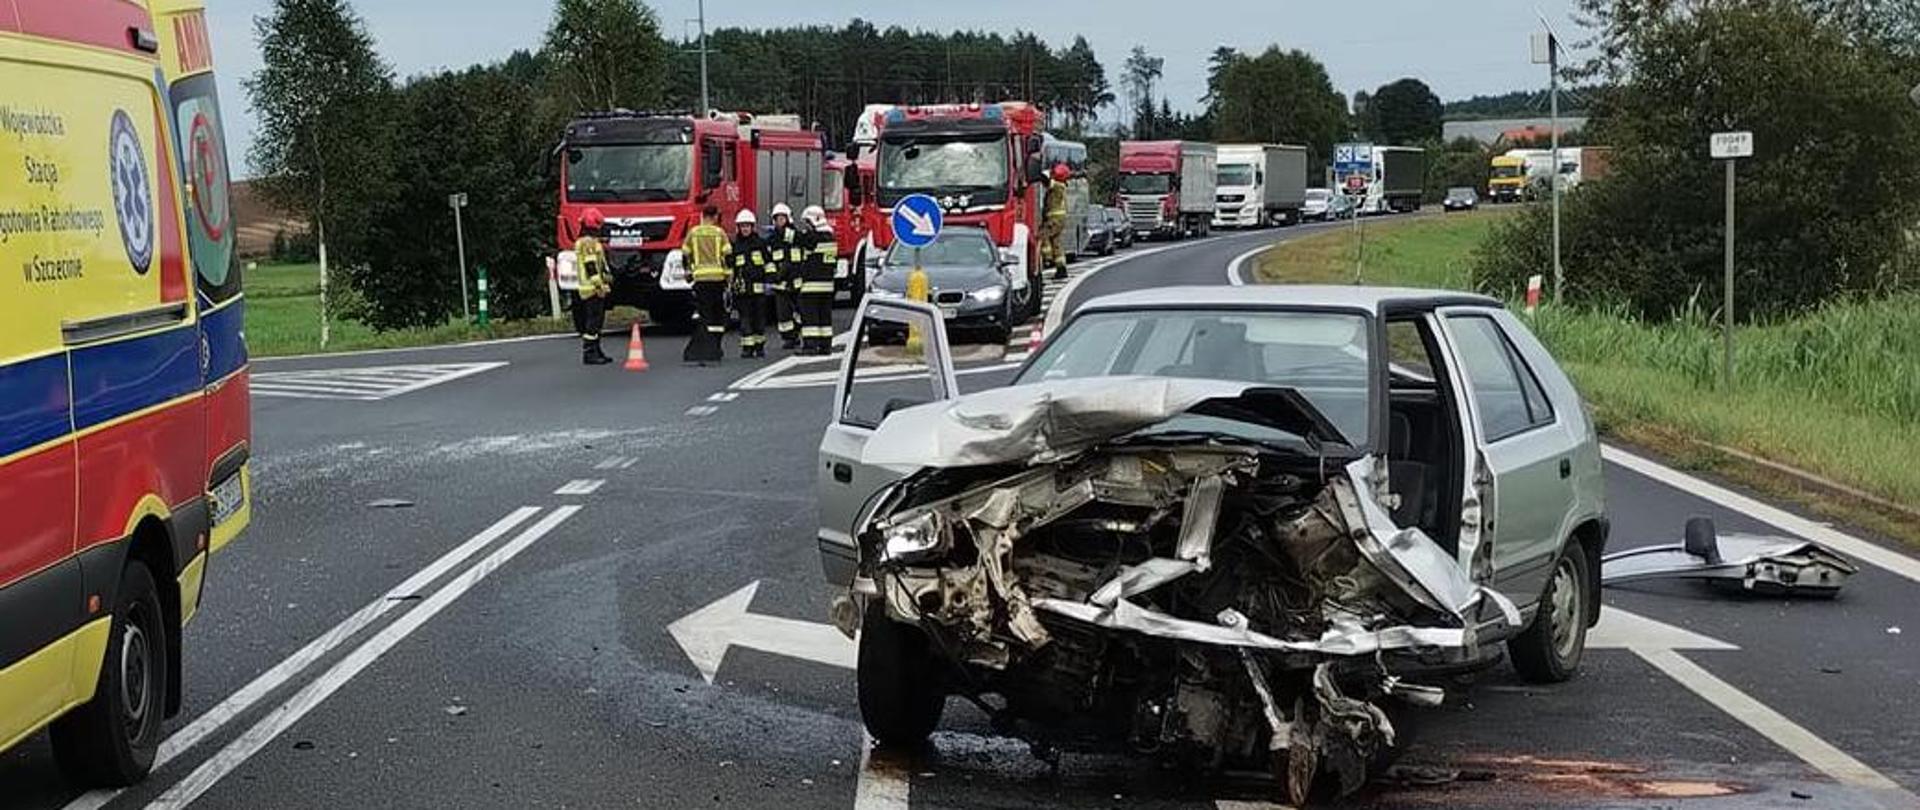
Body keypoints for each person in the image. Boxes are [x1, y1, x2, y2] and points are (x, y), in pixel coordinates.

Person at [682, 205, 732, 365]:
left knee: (705, 315)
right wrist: (729, 277)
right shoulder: (720, 233)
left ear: (702, 215)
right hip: (717, 280)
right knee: (718, 315)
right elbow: (728, 256)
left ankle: (704, 348)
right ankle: (715, 347)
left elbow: (685, 254)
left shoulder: (693, 233)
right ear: (715, 216)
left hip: (700, 280)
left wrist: (688, 272)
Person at [572, 208, 614, 365]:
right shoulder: (588, 243)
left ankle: (596, 350)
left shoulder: (587, 242)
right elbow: (591, 266)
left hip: (592, 287)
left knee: (596, 321)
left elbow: (599, 263)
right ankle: (590, 352)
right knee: (593, 322)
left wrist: (608, 277)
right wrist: (599, 284)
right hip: (592, 288)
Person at [729, 209, 772, 358]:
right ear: (738, 228)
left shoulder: (760, 244)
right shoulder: (735, 246)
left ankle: (759, 346)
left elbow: (768, 263)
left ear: (752, 227)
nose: (745, 229)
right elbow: (732, 267)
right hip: (742, 290)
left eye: (747, 226)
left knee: (759, 319)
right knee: (745, 319)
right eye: (742, 226)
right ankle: (747, 348)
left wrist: (770, 281)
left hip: (759, 290)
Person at [795, 205, 838, 356]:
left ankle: (810, 346)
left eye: (807, 222)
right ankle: (825, 346)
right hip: (827, 286)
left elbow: (797, 239)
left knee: (810, 317)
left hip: (811, 285)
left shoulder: (813, 238)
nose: (806, 226)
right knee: (824, 317)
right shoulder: (830, 237)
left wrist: (786, 228)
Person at [767, 203, 803, 350]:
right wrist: (773, 275)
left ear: (788, 219)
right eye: (777, 219)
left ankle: (799, 330)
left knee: (802, 311)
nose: (780, 221)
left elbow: (803, 256)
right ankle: (789, 338)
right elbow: (768, 259)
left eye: (782, 218)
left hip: (797, 281)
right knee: (783, 314)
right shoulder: (772, 240)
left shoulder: (797, 236)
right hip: (780, 283)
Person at [1040, 162, 1071, 280]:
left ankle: (1047, 259)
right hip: (1059, 219)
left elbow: (1046, 182)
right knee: (1056, 243)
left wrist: (1039, 174)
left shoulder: (1057, 185)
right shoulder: (1062, 186)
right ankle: (1061, 269)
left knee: (1043, 235)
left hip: (1054, 218)